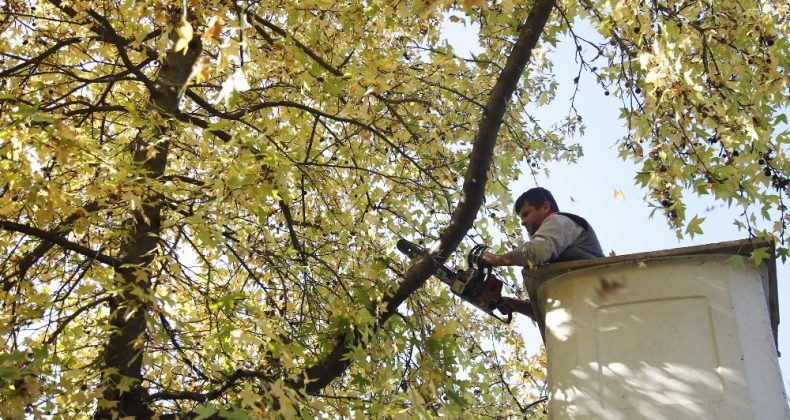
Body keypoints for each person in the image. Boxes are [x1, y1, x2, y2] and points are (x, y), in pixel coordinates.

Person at [483, 187, 604, 318]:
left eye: (526, 214)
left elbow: (536, 251)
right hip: (588, 311)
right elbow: (549, 312)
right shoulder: (553, 257)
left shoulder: (559, 220)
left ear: (545, 207)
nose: (523, 222)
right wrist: (513, 304)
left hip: (597, 298)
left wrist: (498, 260)